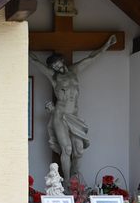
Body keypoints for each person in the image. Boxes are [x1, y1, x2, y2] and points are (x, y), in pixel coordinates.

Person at [30, 34, 118, 181]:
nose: (56, 67)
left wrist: (106, 45)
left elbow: (91, 58)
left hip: (74, 116)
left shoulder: (74, 70)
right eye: (53, 66)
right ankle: (67, 186)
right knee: (67, 149)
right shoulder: (54, 77)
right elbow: (35, 60)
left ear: (61, 60)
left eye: (57, 63)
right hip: (60, 115)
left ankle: (74, 180)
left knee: (79, 150)